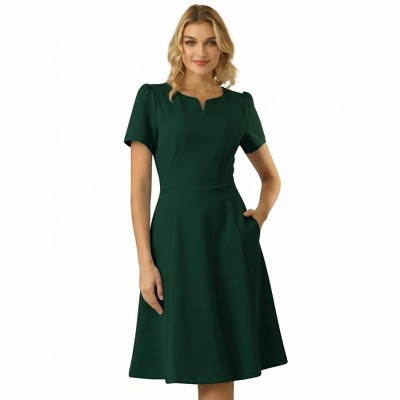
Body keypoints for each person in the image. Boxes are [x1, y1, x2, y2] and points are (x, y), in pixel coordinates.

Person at [123, 4, 288, 400]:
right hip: (175, 240)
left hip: (228, 239)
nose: (201, 51)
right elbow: (140, 187)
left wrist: (257, 219)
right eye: (191, 42)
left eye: (211, 42)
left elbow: (271, 178)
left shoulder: (239, 105)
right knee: (192, 354)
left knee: (221, 364)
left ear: (222, 48)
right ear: (179, 46)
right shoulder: (152, 100)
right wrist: (145, 262)